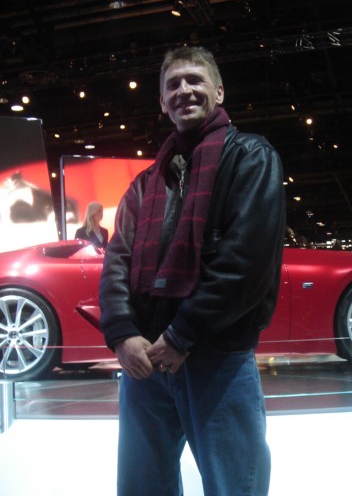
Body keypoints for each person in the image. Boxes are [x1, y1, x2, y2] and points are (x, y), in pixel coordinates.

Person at [99, 46, 286, 496]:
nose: (184, 90)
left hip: (216, 358)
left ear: (218, 91)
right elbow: (117, 262)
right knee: (143, 488)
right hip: (146, 363)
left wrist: (183, 334)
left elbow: (246, 264)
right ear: (163, 102)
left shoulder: (250, 158)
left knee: (234, 487)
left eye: (194, 80)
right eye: (173, 85)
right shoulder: (145, 184)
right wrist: (122, 334)